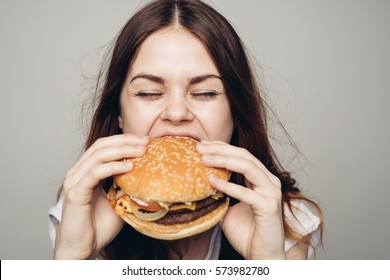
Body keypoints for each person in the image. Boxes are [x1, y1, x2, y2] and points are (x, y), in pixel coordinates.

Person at [49, 0, 323, 260]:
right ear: (118, 113)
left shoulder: (286, 221)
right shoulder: (82, 211)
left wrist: (267, 261)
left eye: (204, 93)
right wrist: (73, 258)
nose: (177, 113)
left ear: (236, 111)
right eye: (149, 92)